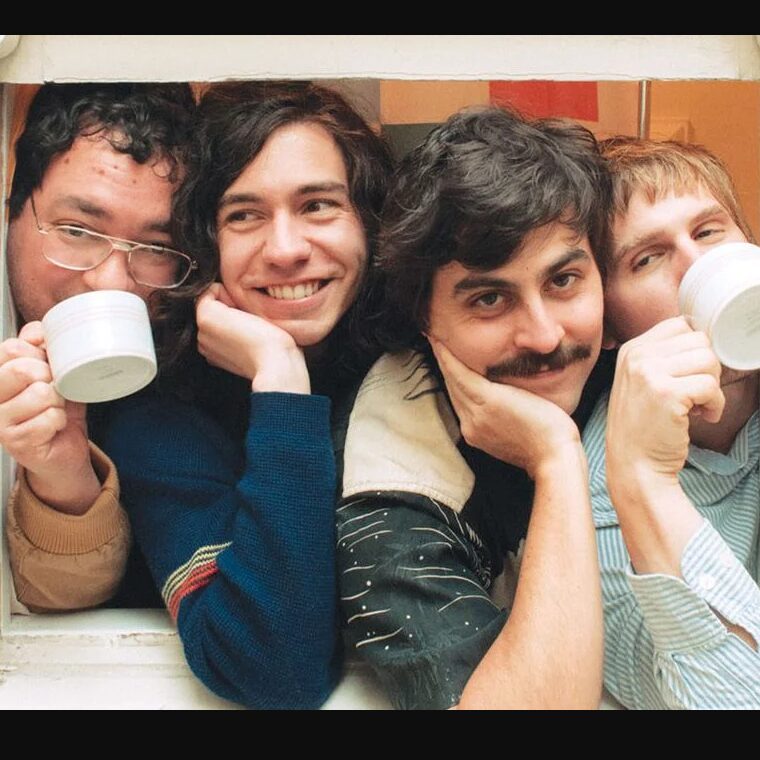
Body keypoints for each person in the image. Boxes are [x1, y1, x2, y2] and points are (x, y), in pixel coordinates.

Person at [93, 82, 393, 708]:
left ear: (369, 222)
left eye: (318, 205)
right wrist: (280, 375)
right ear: (205, 242)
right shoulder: (155, 407)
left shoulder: (419, 360)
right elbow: (272, 668)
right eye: (244, 215)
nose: (285, 250)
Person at [337, 106, 614, 709]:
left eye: (563, 281)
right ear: (422, 318)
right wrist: (555, 459)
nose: (543, 336)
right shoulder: (392, 464)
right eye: (490, 298)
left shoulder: (635, 347)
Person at [2, 83, 196, 612]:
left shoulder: (190, 385)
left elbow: (71, 612)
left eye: (156, 249)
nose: (112, 282)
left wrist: (63, 475)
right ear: (12, 211)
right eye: (77, 230)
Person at [584, 136, 760, 709]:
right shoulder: (599, 492)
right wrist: (642, 483)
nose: (697, 264)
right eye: (647, 258)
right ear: (607, 325)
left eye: (709, 232)